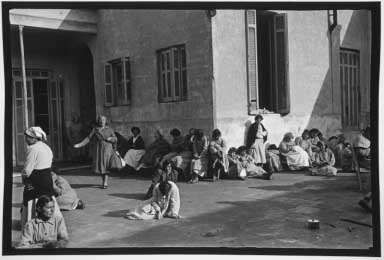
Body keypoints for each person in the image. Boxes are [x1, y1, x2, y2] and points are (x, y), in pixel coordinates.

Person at [20, 126, 63, 229]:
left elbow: (27, 169)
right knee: (47, 199)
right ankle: (52, 225)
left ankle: (33, 226)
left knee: (33, 200)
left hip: (36, 179)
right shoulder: (46, 147)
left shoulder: (33, 149)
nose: (26, 139)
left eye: (29, 137)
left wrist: (24, 179)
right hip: (47, 178)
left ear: (35, 138)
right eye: (26, 136)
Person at [74, 115, 117, 189]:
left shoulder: (110, 129)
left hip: (108, 149)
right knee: (101, 166)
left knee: (106, 166)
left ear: (105, 121)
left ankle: (105, 182)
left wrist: (111, 138)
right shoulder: (95, 129)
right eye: (100, 120)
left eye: (103, 120)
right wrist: (80, 144)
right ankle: (104, 181)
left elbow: (115, 138)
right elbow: (88, 138)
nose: (101, 121)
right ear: (98, 121)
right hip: (99, 150)